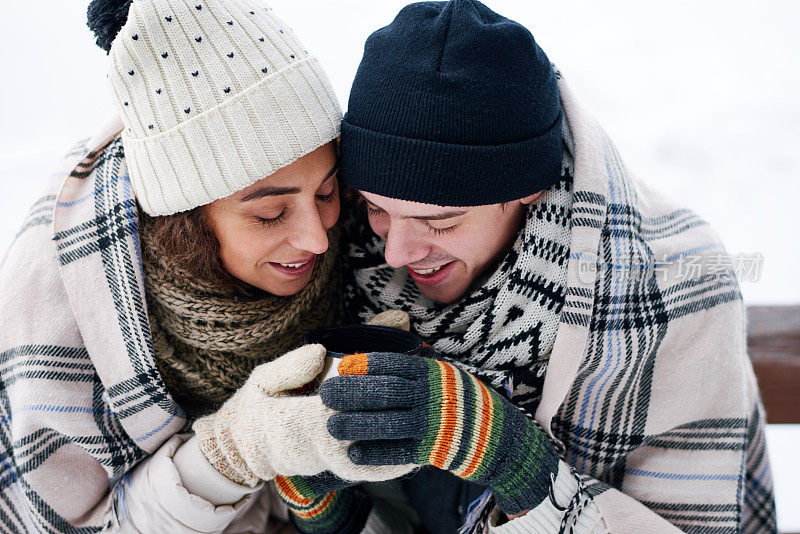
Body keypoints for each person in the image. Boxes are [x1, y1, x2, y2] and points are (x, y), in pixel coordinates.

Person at [286, 1, 777, 532]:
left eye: (441, 221)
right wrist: (327, 517)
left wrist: (518, 467)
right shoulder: (327, 256)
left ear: (527, 189)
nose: (396, 254)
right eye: (377, 207)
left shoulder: (676, 286)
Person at [0, 0, 411, 531]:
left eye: (327, 191)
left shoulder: (361, 236)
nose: (316, 237)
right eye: (269, 213)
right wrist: (229, 454)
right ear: (185, 221)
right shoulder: (59, 304)